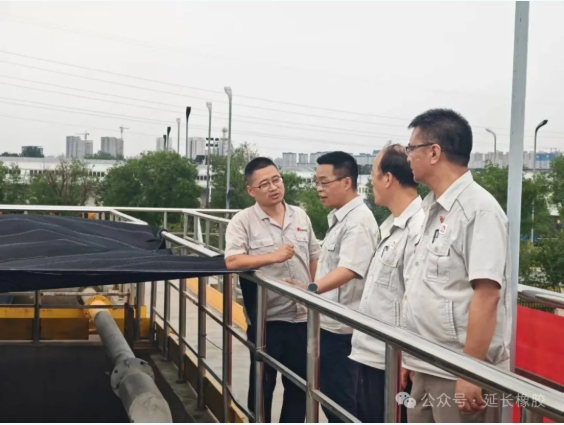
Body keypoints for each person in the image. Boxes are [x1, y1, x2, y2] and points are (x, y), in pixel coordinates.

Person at [402, 108, 511, 422]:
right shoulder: (433, 207)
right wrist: (410, 355)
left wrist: (470, 371)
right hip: (427, 361)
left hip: (458, 370)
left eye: (412, 148)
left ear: (434, 152)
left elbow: (487, 295)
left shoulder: (478, 211)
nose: (408, 156)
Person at [224, 157, 320, 423]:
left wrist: (313, 290)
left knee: (299, 387)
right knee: (262, 386)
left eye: (276, 179)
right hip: (267, 321)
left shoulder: (300, 215)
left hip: (302, 318)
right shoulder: (243, 221)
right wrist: (272, 257)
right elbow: (232, 261)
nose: (273, 187)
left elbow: (314, 255)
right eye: (264, 184)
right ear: (251, 190)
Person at [287, 151, 379, 422]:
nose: (319, 189)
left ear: (347, 182)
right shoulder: (342, 218)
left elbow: (350, 269)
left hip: (343, 329)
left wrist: (310, 289)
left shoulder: (358, 221)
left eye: (324, 182)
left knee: (342, 401)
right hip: (330, 322)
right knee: (332, 395)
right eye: (316, 182)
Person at [348, 143, 424, 423]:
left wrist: (407, 356)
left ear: (388, 178)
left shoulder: (417, 228)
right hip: (374, 352)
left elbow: (416, 299)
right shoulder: (392, 225)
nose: (371, 184)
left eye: (373, 176)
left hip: (392, 360)